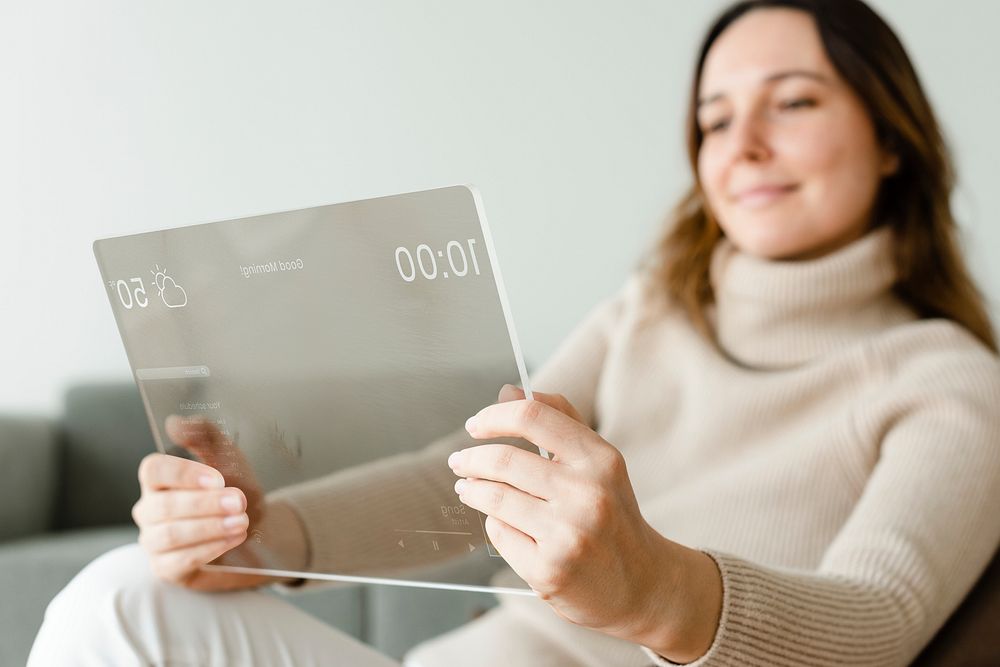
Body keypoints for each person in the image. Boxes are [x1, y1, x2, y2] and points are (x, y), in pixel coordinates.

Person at [29, 0, 1000, 665]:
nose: (740, 144)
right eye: (712, 119)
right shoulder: (648, 311)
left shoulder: (946, 383)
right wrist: (259, 534)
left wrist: (659, 589)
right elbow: (459, 479)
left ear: (889, 138)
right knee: (121, 593)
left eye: (791, 102)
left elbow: (881, 624)